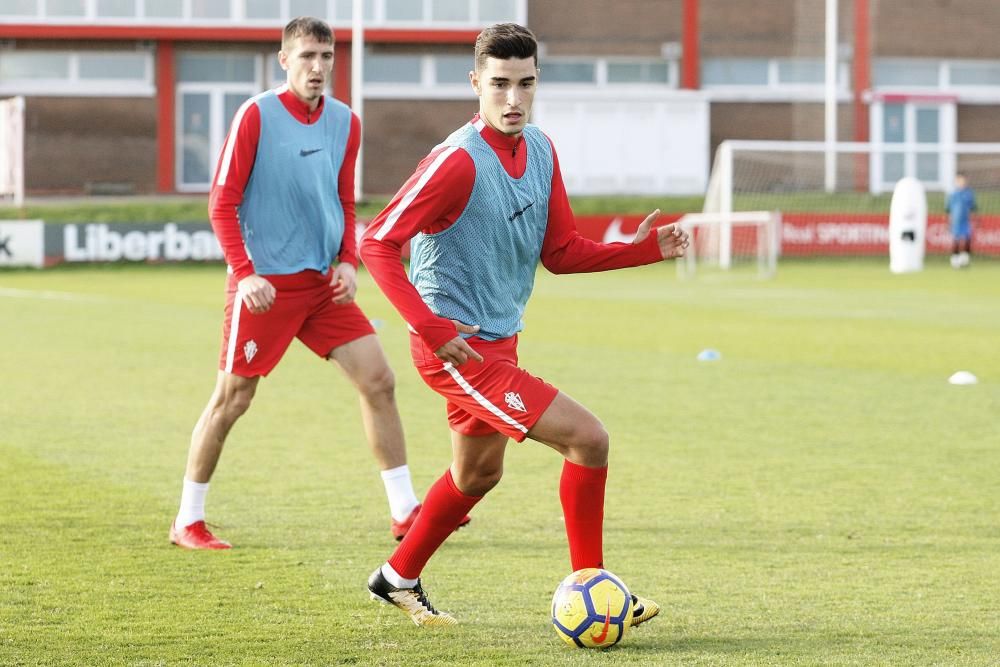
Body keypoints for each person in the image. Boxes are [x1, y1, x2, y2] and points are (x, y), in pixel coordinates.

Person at [358, 22, 689, 626]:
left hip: (498, 344)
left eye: (526, 84)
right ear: (476, 83)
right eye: (500, 84)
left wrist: (643, 251)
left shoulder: (541, 150)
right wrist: (432, 330)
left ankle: (397, 576)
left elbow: (560, 252)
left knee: (476, 474)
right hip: (458, 352)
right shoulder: (455, 162)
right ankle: (596, 586)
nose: (513, 99)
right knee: (589, 439)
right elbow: (376, 242)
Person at [170, 17, 468, 550]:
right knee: (232, 400)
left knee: (379, 380)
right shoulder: (255, 115)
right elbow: (222, 202)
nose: (318, 66)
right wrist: (245, 275)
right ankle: (187, 519)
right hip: (264, 287)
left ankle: (405, 510)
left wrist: (348, 261)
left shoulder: (346, 122)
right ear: (284, 60)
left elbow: (343, 199)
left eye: (326, 56)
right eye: (307, 55)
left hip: (322, 286)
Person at [945, 173, 976, 268]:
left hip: (966, 221)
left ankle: (965, 260)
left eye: (963, 180)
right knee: (956, 240)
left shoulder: (969, 193)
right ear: (956, 182)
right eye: (959, 180)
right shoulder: (953, 194)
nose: (961, 182)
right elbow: (948, 210)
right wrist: (948, 222)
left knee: (967, 239)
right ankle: (955, 260)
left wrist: (975, 220)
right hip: (956, 221)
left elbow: (973, 208)